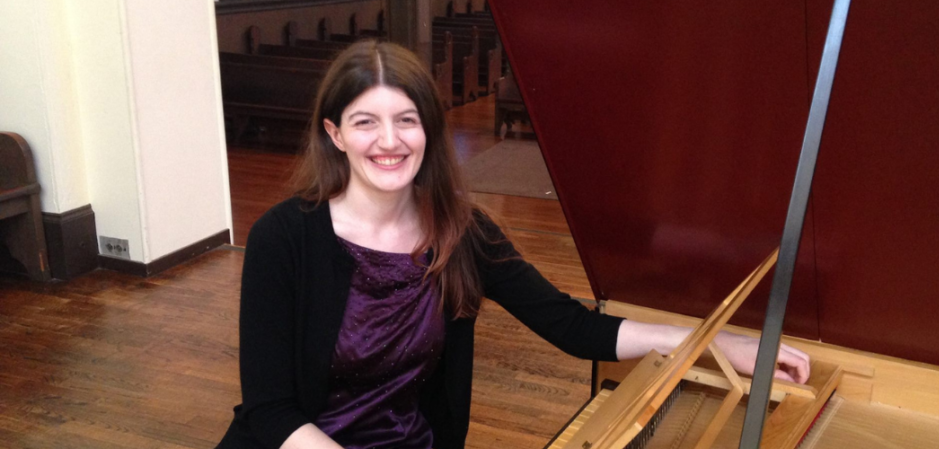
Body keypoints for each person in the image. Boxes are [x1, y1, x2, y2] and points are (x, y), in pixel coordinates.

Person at [216, 41, 810, 449]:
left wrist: (716, 344)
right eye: (365, 121)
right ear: (334, 134)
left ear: (429, 129)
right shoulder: (284, 238)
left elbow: (576, 329)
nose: (389, 141)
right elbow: (272, 411)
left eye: (407, 119)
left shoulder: (461, 231)